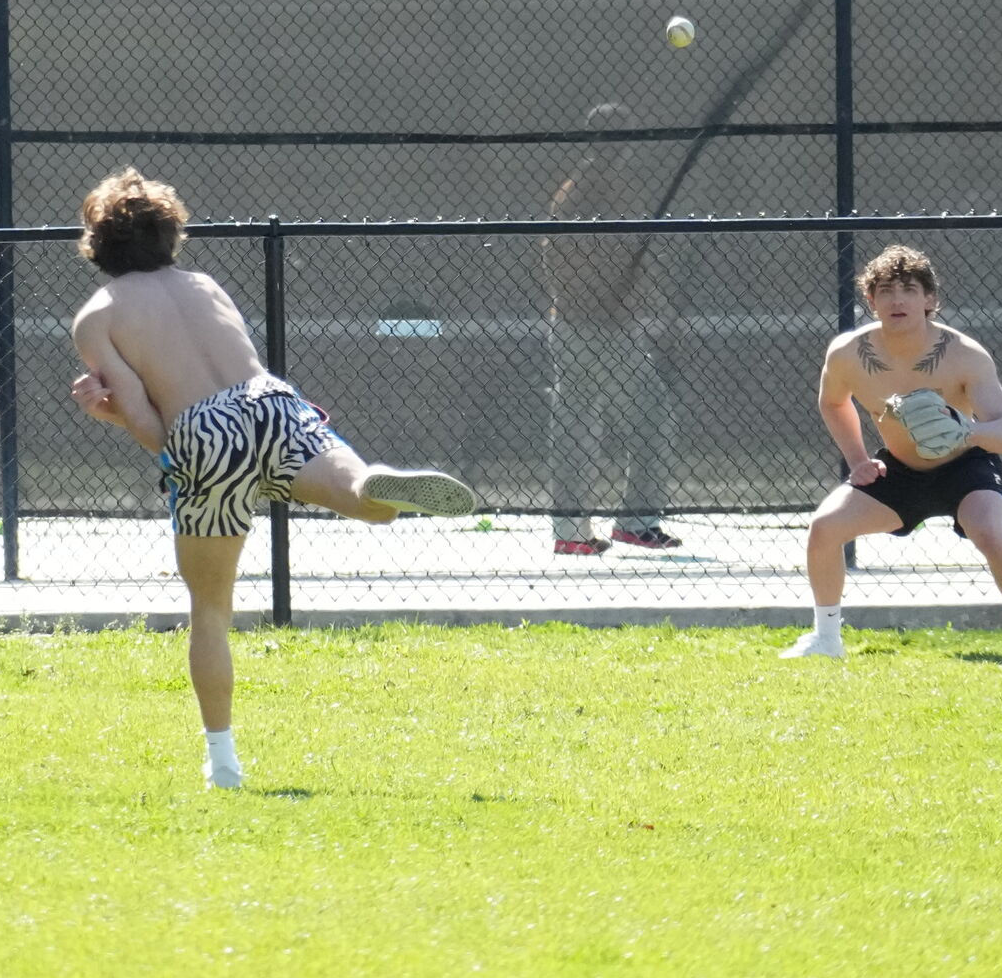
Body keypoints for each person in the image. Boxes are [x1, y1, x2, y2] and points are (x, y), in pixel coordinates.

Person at [65, 168, 477, 785]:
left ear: (97, 243)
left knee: (210, 610)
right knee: (368, 500)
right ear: (170, 234)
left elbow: (155, 432)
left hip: (203, 430)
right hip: (269, 402)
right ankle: (372, 481)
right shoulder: (204, 285)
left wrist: (108, 413)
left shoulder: (95, 319)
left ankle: (223, 764)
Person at [785, 243, 1002, 663]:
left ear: (929, 299)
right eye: (886, 290)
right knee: (824, 528)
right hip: (900, 470)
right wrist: (858, 460)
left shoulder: (965, 354)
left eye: (909, 290)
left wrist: (965, 431)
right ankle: (826, 639)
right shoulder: (847, 353)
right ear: (871, 300)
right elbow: (833, 402)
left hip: (965, 465)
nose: (897, 300)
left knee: (987, 530)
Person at [540, 105, 680, 555]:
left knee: (579, 422)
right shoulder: (596, 188)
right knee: (649, 413)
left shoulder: (588, 186)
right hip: (597, 325)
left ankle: (574, 531)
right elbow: (606, 256)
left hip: (582, 322)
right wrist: (633, 307)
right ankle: (632, 522)